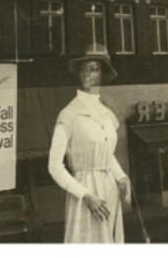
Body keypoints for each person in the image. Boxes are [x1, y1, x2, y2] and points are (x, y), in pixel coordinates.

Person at [48, 46, 131, 243]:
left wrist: (121, 176)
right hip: (86, 193)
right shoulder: (69, 114)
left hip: (109, 190)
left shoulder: (107, 114)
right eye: (83, 69)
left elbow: (106, 153)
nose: (87, 74)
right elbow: (54, 166)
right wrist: (85, 195)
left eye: (93, 69)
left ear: (102, 73)